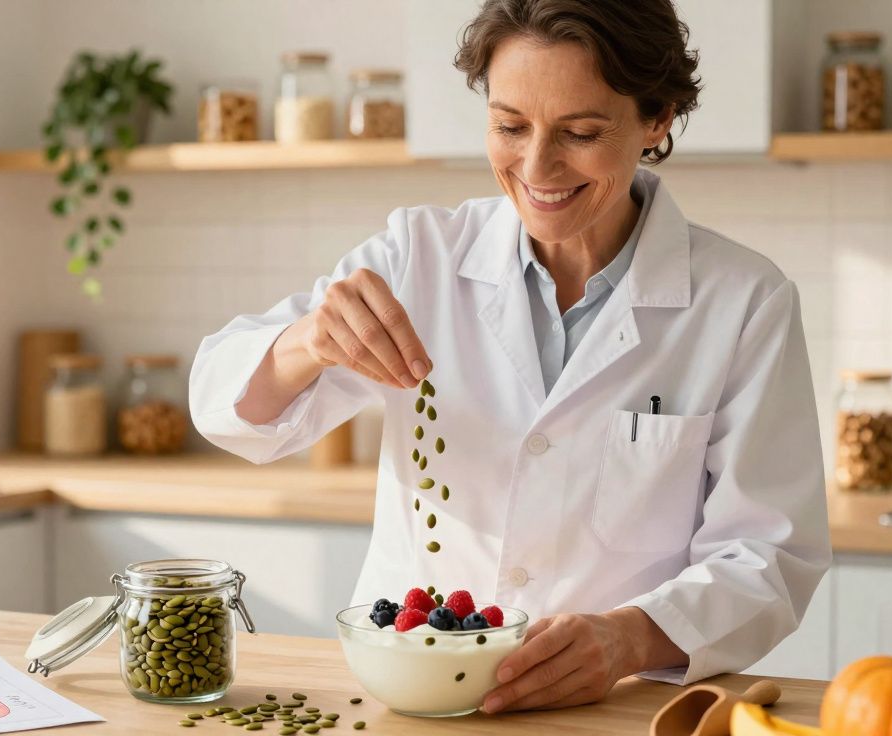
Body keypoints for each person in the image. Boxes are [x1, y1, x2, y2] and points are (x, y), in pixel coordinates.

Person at [191, 0, 830, 713]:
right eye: (509, 126)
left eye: (581, 132)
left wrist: (631, 637)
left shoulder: (743, 301)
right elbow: (224, 407)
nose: (536, 166)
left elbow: (770, 555)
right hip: (413, 697)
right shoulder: (419, 257)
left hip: (614, 710)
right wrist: (307, 340)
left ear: (658, 119)